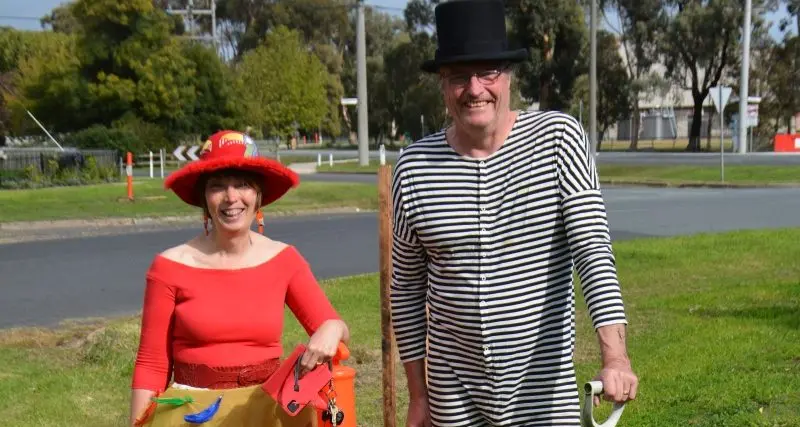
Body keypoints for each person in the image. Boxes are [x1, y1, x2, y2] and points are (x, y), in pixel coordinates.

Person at [389, 1, 639, 426]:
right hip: (454, 394)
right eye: (458, 76)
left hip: (544, 391)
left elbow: (593, 252)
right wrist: (418, 396)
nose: (474, 88)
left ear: (508, 75)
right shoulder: (413, 167)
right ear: (442, 84)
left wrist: (615, 358)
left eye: (487, 72)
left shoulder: (559, 139)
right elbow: (407, 291)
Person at [129, 130, 350, 427]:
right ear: (204, 198)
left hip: (268, 411)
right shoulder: (169, 266)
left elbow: (335, 326)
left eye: (243, 185)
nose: (231, 197)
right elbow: (151, 365)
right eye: (218, 186)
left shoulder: (284, 259)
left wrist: (331, 328)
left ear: (258, 196)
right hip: (192, 413)